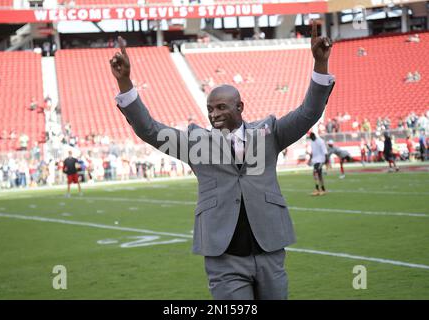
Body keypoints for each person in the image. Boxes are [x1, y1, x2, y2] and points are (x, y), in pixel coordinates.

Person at [109, 19, 334, 300]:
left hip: (269, 250)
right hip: (224, 257)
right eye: (209, 109)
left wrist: (320, 65)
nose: (213, 114)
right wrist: (124, 81)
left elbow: (308, 113)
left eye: (221, 107)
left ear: (240, 107)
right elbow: (149, 130)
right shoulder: (195, 143)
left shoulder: (270, 133)